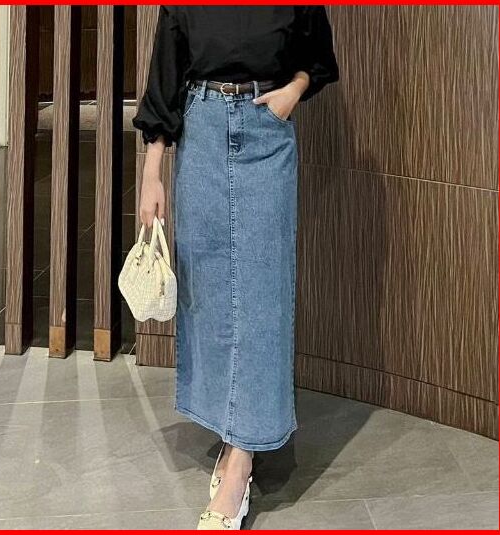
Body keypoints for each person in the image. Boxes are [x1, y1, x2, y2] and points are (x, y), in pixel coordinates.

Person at [132, 6, 339, 530]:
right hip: (200, 132)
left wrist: (293, 91)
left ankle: (241, 459)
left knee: (262, 294)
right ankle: (231, 434)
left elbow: (317, 58)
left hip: (266, 132)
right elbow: (165, 73)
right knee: (208, 291)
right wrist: (152, 174)